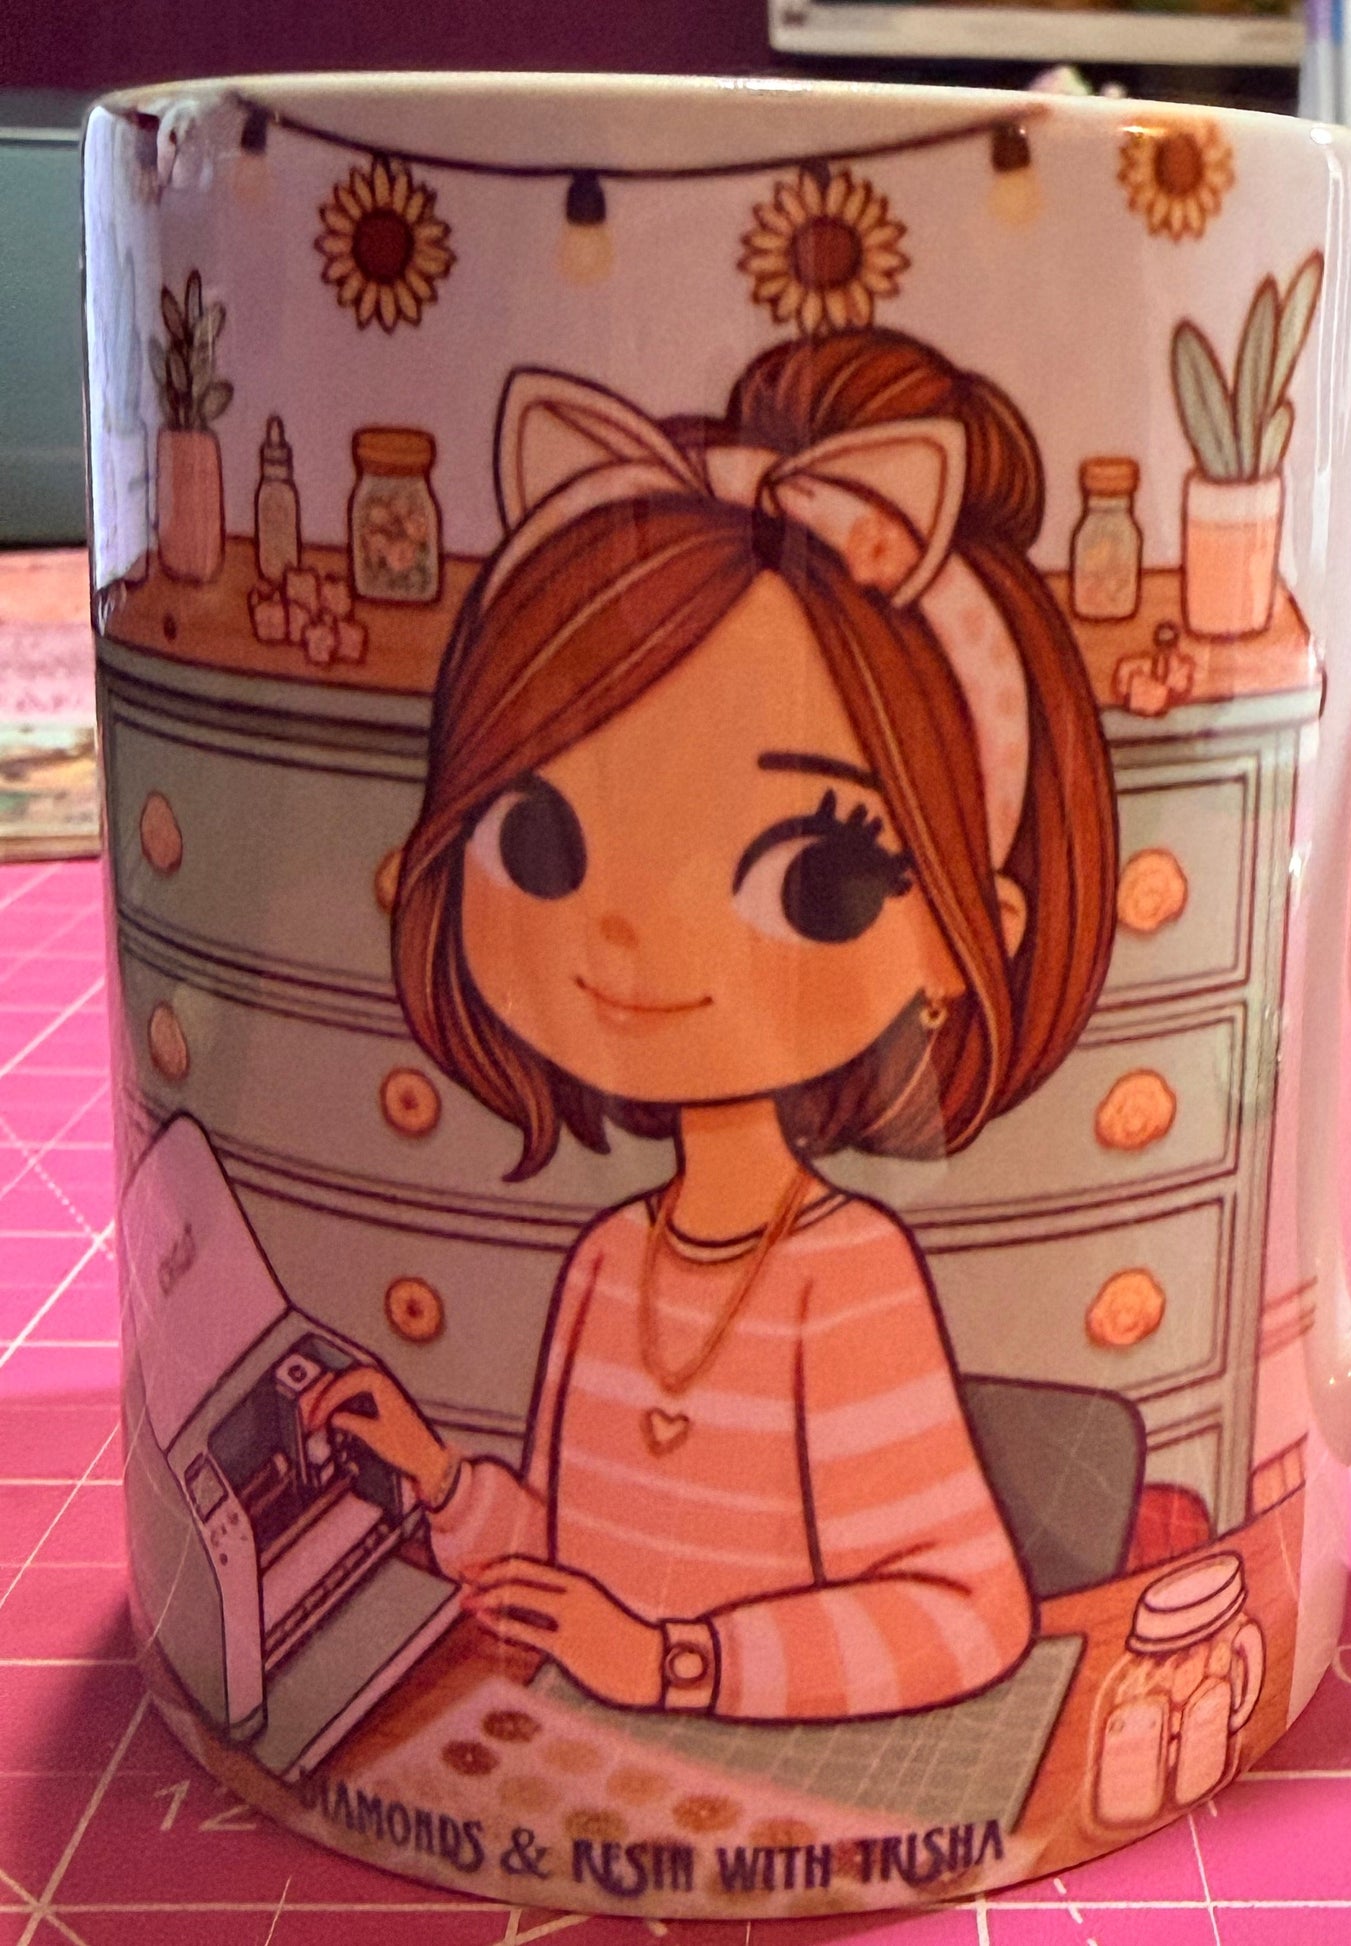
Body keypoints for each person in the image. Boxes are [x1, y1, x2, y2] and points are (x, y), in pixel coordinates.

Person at [301, 329, 1119, 1722]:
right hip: (610, 1764)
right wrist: (438, 1482)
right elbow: (579, 1566)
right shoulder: (611, 1261)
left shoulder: (844, 1279)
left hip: (795, 1779)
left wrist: (684, 1664)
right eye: (543, 838)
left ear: (959, 936)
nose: (636, 930)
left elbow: (969, 1614)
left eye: (808, 874)